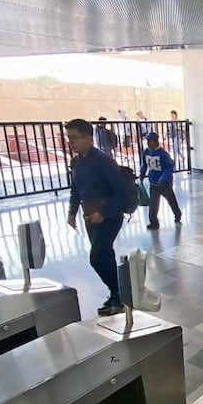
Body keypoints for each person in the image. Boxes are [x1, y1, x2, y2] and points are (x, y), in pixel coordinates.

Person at [65, 118, 130, 316]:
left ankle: (120, 293)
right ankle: (117, 293)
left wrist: (103, 213)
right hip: (89, 216)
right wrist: (72, 212)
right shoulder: (77, 162)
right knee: (105, 254)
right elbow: (76, 189)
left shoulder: (103, 161)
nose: (71, 143)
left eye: (74, 138)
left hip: (108, 216)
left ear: (88, 138)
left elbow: (122, 193)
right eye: (69, 138)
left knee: (97, 257)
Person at [139, 132, 181, 230]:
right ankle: (153, 222)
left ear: (156, 142)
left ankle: (177, 214)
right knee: (153, 204)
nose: (148, 144)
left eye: (150, 141)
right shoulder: (146, 152)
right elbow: (144, 165)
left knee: (171, 200)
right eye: (147, 141)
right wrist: (142, 174)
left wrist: (163, 178)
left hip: (164, 184)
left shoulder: (163, 154)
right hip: (153, 183)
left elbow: (168, 167)